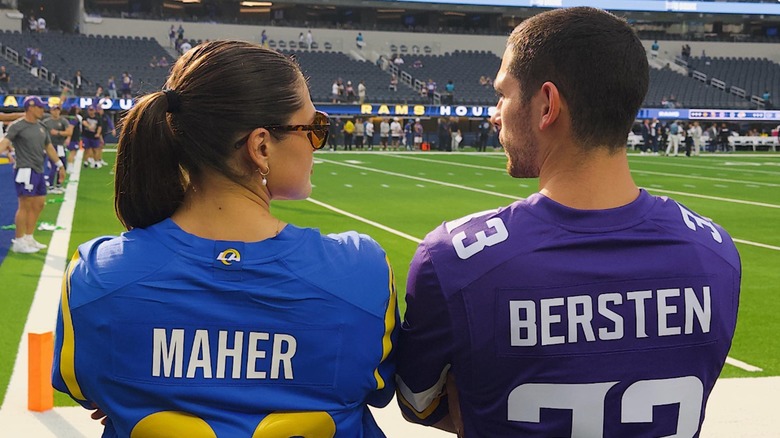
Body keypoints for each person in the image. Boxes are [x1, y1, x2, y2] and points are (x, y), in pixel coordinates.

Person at [395, 7, 740, 437]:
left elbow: (418, 401)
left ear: (546, 106)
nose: (495, 114)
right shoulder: (715, 253)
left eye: (503, 94)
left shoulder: (455, 260)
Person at [51, 40, 399, 437]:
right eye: (314, 128)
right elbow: (380, 386)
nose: (318, 142)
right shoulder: (361, 271)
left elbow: (91, 389)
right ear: (261, 146)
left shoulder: (95, 277)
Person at [0, 96, 66, 253]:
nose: (43, 110)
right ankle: (19, 240)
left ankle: (29, 237)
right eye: (40, 107)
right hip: (25, 170)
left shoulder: (41, 126)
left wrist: (60, 165)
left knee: (39, 204)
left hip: (38, 170)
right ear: (31, 107)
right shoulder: (18, 126)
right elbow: (5, 143)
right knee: (25, 205)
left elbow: (49, 147)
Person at [41, 103, 72, 193]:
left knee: (62, 165)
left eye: (57, 110)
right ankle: (51, 186)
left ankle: (58, 184)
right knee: (54, 166)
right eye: (54, 110)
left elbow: (69, 132)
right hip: (50, 145)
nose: (56, 112)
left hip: (60, 145)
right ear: (51, 111)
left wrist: (58, 133)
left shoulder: (63, 121)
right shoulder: (46, 122)